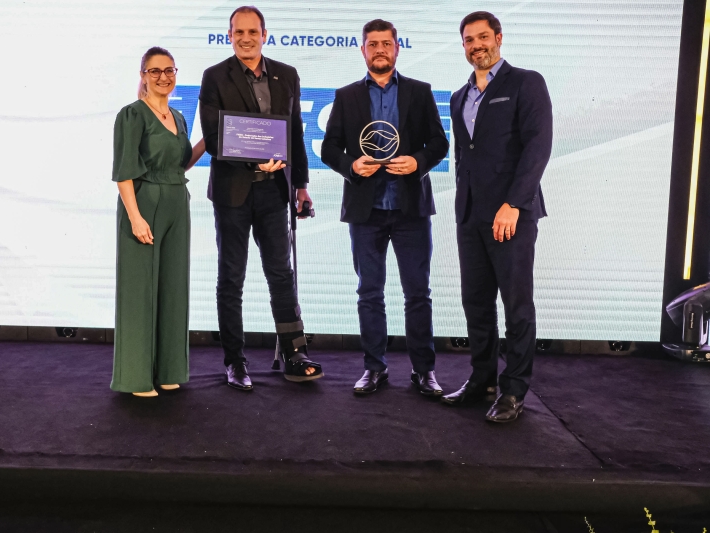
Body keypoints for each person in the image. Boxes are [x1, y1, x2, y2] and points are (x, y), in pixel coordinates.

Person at [321, 19, 449, 396]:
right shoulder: (346, 96)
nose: (379, 49)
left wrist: (418, 162)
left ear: (397, 48)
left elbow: (439, 143)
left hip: (410, 208)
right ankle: (374, 368)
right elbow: (329, 147)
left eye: (386, 43)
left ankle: (424, 371)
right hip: (366, 210)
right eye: (372, 44)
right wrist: (350, 166)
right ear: (363, 50)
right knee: (369, 293)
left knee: (418, 293)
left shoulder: (419, 92)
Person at [198, 6, 322, 391]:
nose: (246, 38)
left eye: (253, 31)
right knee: (231, 279)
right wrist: (261, 158)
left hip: (274, 193)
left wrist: (300, 185)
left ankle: (294, 352)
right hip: (233, 192)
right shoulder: (214, 76)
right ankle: (235, 361)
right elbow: (214, 134)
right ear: (229, 34)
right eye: (239, 32)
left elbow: (296, 134)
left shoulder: (287, 75)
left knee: (281, 275)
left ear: (265, 34)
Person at [441, 12, 553, 422]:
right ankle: (482, 379)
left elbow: (537, 147)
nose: (476, 46)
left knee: (517, 304)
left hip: (512, 215)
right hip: (470, 216)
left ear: (499, 38)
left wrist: (515, 204)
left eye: (483, 37)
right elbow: (463, 158)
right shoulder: (458, 97)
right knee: (476, 303)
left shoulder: (526, 82)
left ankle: (514, 389)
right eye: (469, 40)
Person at [111, 46, 206, 397]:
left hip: (177, 204)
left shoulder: (179, 118)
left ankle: (168, 369)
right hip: (144, 204)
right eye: (155, 71)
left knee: (173, 287)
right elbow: (124, 172)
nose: (163, 77)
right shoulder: (132, 115)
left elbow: (180, 164)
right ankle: (135, 377)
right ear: (143, 75)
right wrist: (135, 218)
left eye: (169, 70)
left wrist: (212, 138)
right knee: (140, 291)